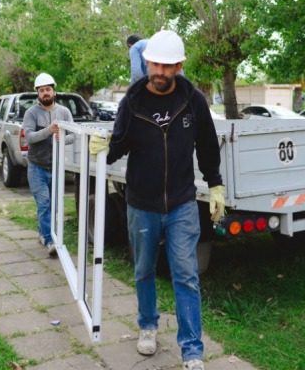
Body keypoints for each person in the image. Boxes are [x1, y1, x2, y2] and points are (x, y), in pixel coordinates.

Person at [91, 30, 225, 370]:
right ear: (146, 61)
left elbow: (207, 145)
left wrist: (216, 186)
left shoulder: (192, 100)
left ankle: (192, 350)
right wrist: (103, 148)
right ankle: (148, 326)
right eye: (155, 64)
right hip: (141, 204)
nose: (160, 72)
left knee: (186, 275)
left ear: (179, 66)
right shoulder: (132, 101)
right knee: (144, 271)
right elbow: (119, 144)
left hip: (181, 203)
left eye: (168, 66)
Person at [23, 72, 75, 257]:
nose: (45, 93)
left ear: (54, 91)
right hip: (37, 167)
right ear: (38, 93)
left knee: (54, 206)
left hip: (57, 167)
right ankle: (50, 240)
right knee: (44, 204)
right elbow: (29, 137)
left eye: (48, 89)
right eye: (42, 90)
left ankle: (43, 232)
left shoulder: (64, 112)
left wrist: (63, 138)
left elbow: (73, 135)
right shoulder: (31, 113)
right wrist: (48, 131)